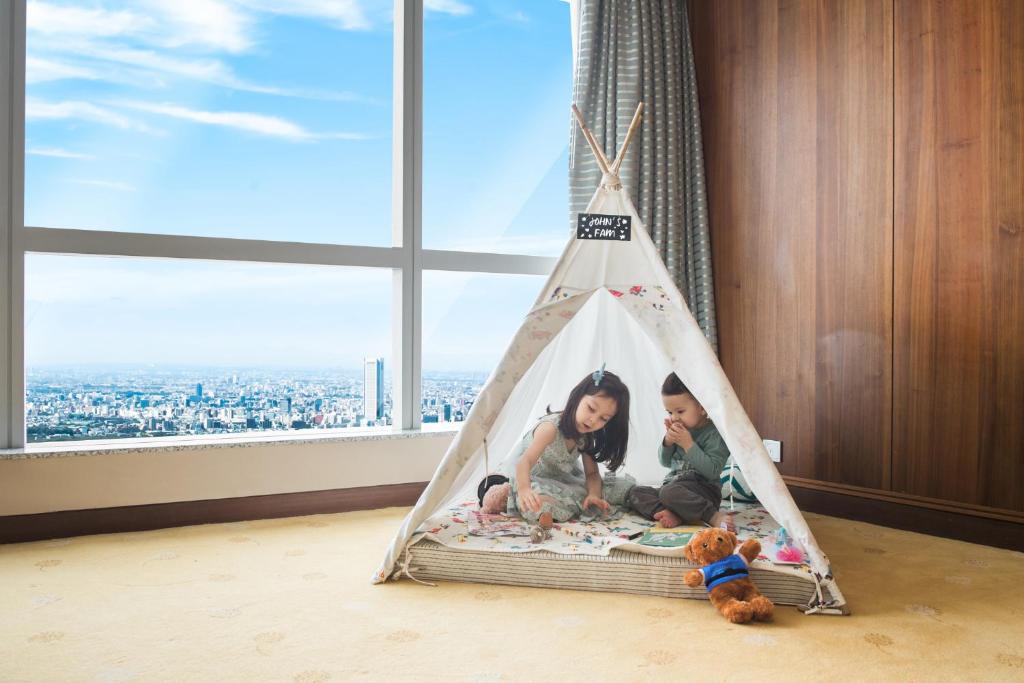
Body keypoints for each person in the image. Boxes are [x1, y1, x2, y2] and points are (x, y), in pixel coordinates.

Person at [479, 367, 631, 532]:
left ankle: (581, 502)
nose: (593, 420)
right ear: (578, 397)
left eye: (603, 419)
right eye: (591, 409)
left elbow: (592, 474)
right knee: (536, 503)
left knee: (612, 487)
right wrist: (524, 490)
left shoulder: (587, 436)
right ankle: (531, 501)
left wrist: (593, 494)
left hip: (562, 478)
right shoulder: (550, 428)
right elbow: (524, 462)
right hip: (529, 477)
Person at [627, 372, 731, 529]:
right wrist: (667, 442)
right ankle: (671, 513)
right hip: (673, 488)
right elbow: (665, 462)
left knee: (669, 492)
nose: (674, 417)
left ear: (702, 407)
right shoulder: (679, 430)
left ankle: (712, 516)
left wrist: (688, 444)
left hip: (702, 491)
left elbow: (713, 471)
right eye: (670, 412)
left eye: (680, 411)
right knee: (635, 492)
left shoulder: (715, 434)